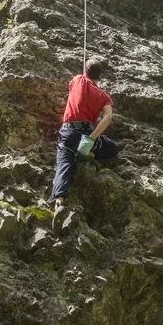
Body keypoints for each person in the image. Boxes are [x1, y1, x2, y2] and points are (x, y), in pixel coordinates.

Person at [51, 59, 119, 232]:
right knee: (112, 148)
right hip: (87, 136)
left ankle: (59, 201)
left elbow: (75, 84)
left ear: (86, 72)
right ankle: (89, 154)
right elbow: (108, 118)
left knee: (64, 165)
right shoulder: (104, 96)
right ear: (100, 76)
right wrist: (90, 139)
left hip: (68, 134)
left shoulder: (78, 80)